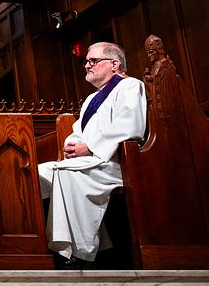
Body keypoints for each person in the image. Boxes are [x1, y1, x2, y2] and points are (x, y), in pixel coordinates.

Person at [38, 41, 147, 266]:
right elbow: (78, 131)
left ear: (115, 64)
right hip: (94, 160)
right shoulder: (92, 98)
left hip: (118, 163)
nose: (87, 65)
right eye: (86, 61)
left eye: (93, 61)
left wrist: (89, 148)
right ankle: (43, 245)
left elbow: (130, 127)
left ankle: (78, 252)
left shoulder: (130, 87)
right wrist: (73, 146)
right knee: (40, 174)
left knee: (67, 175)